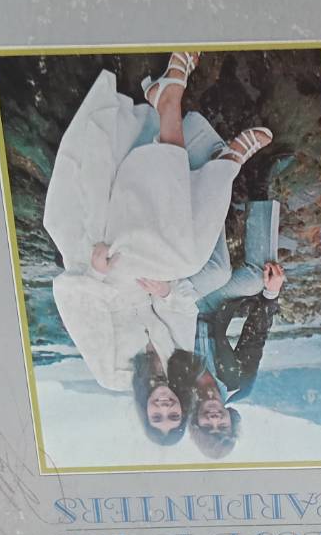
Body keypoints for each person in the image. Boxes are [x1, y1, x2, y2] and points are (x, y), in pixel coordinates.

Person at [43, 51, 273, 397]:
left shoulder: (113, 374)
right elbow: (182, 312)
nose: (164, 407)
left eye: (158, 416)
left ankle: (184, 119)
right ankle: (220, 159)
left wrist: (95, 273)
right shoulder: (176, 366)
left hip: (106, 272)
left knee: (170, 247)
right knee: (187, 258)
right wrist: (166, 293)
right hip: (150, 280)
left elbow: (77, 307)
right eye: (172, 413)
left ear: (145, 410)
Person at [189, 200, 287, 459]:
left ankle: (206, 198)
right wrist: (271, 293)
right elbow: (254, 338)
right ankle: (260, 193)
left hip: (176, 306)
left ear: (196, 424)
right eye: (222, 426)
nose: (214, 419)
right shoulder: (238, 385)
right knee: (257, 277)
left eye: (207, 427)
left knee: (217, 271)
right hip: (211, 307)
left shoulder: (175, 391)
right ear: (231, 422)